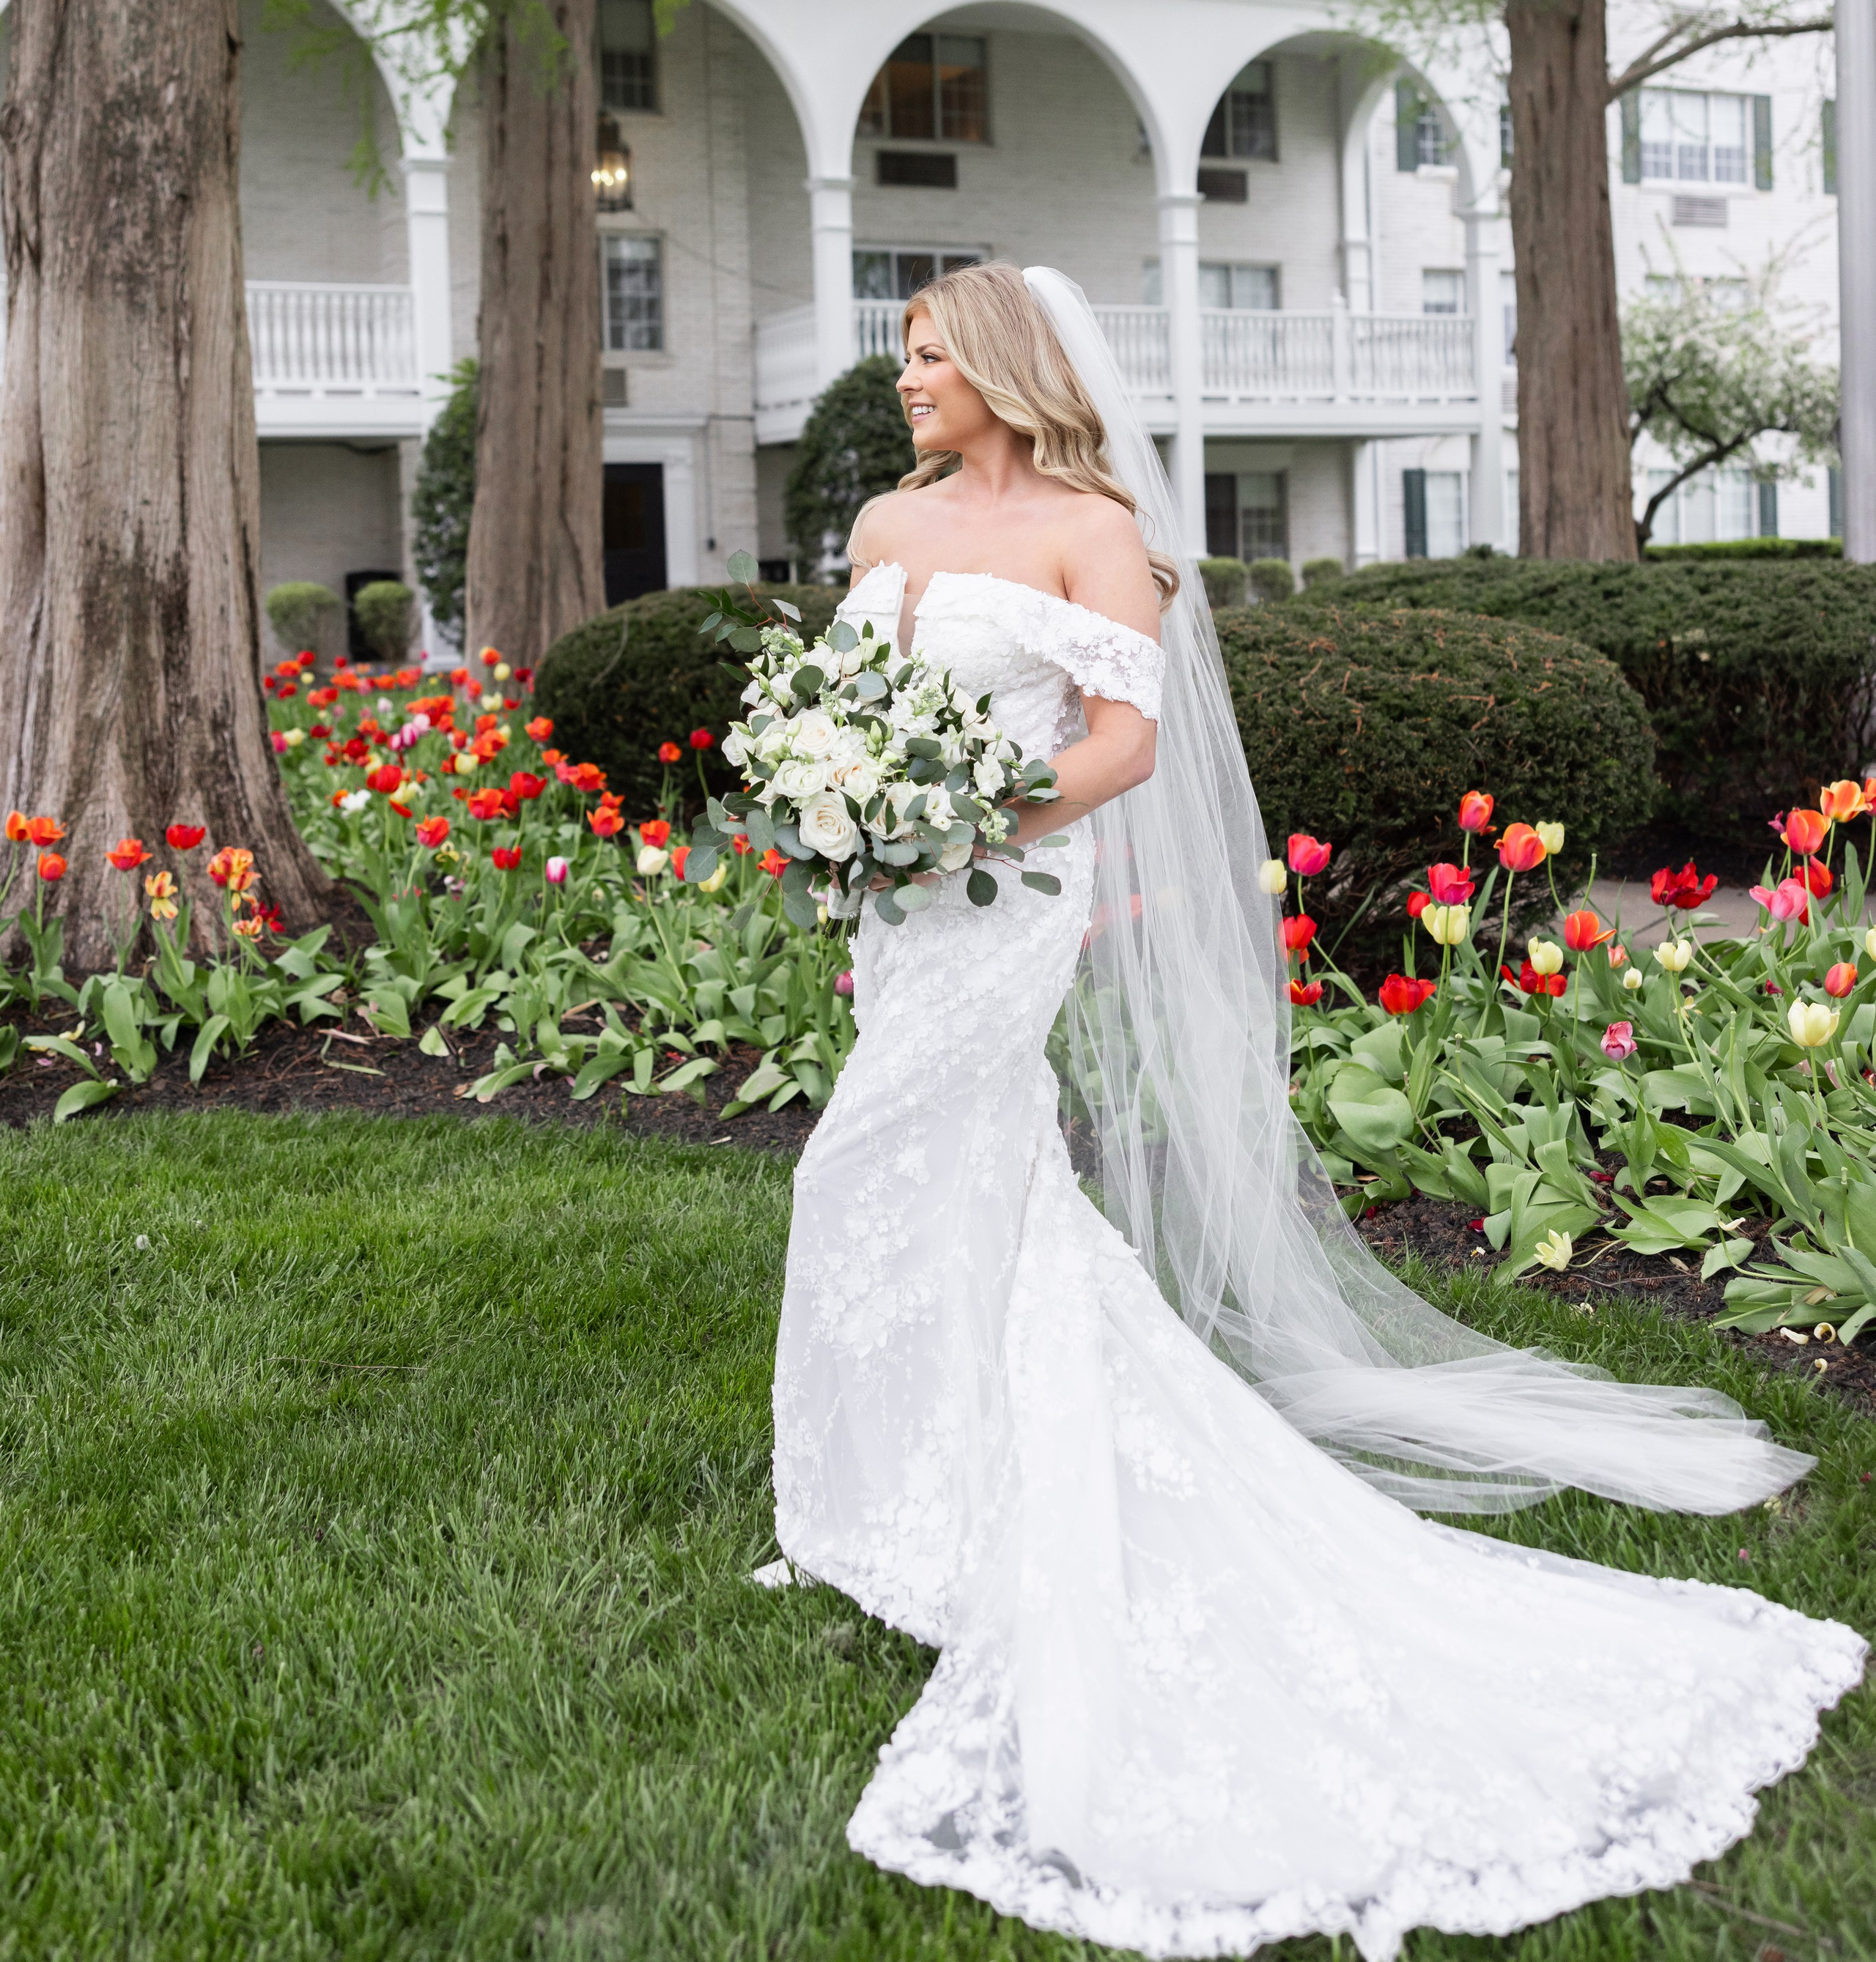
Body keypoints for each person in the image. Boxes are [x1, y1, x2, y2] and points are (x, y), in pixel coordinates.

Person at [757, 262, 1862, 1961]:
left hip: (1002, 890)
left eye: (923, 357)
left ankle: (955, 1481)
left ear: (997, 364)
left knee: (870, 1162)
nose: (902, 382)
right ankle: (893, 1484)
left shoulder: (1089, 526)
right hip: (899, 906)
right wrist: (845, 807)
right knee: (935, 1174)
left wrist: (973, 815)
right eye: (900, 359)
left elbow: (1121, 744)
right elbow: (847, 710)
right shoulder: (882, 528)